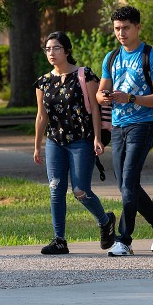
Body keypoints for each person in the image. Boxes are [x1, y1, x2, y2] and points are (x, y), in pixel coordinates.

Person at [96, 5, 153, 257]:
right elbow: (100, 92)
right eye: (117, 28)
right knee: (125, 185)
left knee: (129, 181)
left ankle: (124, 240)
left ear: (138, 27)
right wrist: (104, 97)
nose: (121, 33)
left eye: (126, 28)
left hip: (143, 124)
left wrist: (130, 98)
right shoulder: (111, 57)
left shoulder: (152, 57)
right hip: (118, 126)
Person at [33, 31, 116, 255]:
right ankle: (59, 239)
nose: (51, 53)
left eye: (56, 48)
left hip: (81, 140)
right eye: (48, 49)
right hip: (55, 142)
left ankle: (105, 220)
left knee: (80, 190)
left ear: (67, 51)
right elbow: (42, 116)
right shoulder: (43, 82)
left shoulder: (84, 75)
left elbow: (96, 108)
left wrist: (98, 137)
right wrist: (37, 145)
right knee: (55, 189)